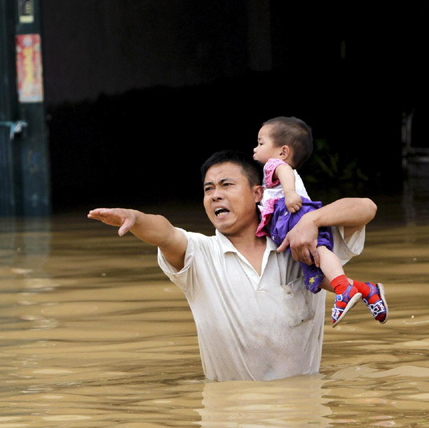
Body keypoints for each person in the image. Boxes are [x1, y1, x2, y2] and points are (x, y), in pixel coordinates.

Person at [88, 150, 378, 382]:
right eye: (208, 189)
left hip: (302, 426)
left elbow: (366, 208)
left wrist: (311, 221)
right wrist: (136, 218)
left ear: (257, 193)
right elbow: (165, 233)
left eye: (227, 185)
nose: (216, 194)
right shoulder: (200, 255)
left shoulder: (299, 244)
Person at [253, 116, 387, 326]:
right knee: (315, 275)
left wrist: (289, 194)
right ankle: (365, 290)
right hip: (289, 223)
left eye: (260, 143)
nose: (255, 148)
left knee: (320, 251)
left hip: (294, 215)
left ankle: (343, 288)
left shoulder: (274, 165)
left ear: (283, 152)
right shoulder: (268, 179)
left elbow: (285, 172)